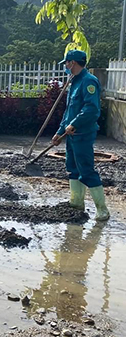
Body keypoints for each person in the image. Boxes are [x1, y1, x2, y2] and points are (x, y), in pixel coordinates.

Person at [52, 49, 109, 221]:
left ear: (73, 63)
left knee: (86, 169)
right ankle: (76, 202)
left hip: (83, 133)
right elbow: (69, 112)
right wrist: (59, 132)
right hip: (71, 134)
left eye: (67, 63)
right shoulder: (74, 81)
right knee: (72, 168)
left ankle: (102, 210)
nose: (66, 66)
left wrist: (74, 124)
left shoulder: (89, 81)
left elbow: (91, 110)